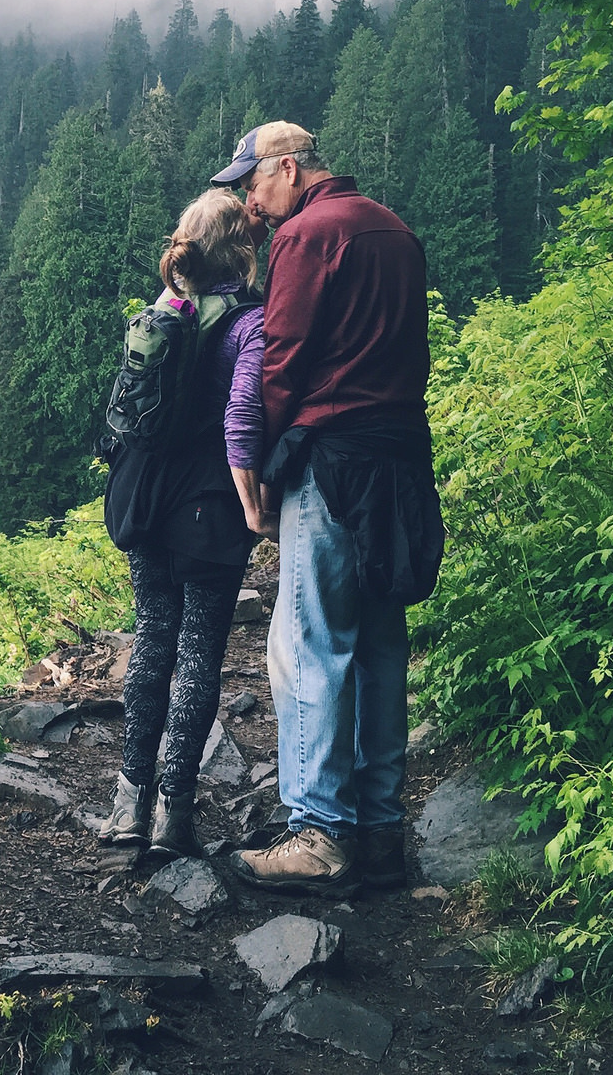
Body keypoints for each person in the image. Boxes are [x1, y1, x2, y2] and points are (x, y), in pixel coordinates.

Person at [211, 121, 443, 898]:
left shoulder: (308, 236)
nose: (250, 200)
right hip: (402, 461)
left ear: (289, 167)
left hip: (333, 457)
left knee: (310, 642)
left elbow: (283, 357)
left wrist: (268, 466)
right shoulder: (395, 230)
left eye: (253, 182)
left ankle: (316, 833)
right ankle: (380, 834)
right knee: (381, 643)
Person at [99, 188, 275, 857]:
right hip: (208, 505)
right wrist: (256, 507)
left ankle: (126, 805)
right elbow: (241, 419)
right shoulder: (249, 324)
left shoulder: (162, 311)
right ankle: (174, 814)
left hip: (142, 496)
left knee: (151, 640)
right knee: (199, 651)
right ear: (242, 250)